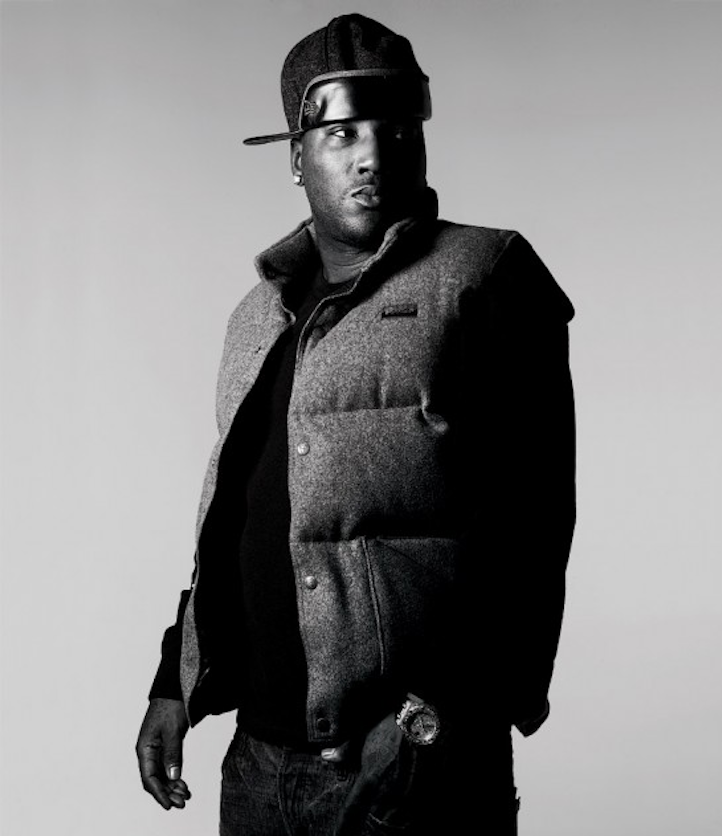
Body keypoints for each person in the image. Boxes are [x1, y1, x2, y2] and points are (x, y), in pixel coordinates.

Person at [135, 13, 576, 836]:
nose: (373, 154)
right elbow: (234, 518)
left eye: (397, 127)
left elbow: (532, 523)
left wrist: (429, 719)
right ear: (296, 157)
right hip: (258, 767)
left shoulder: (486, 277)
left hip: (413, 766)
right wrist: (174, 681)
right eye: (341, 134)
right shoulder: (255, 316)